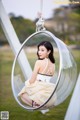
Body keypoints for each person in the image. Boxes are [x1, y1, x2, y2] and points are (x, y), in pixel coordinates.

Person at [18, 41, 56, 108]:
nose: (39, 52)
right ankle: (38, 104)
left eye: (42, 50)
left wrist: (29, 83)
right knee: (27, 91)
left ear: (49, 51)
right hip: (51, 96)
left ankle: (37, 105)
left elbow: (32, 80)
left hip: (41, 92)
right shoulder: (53, 64)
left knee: (22, 94)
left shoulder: (39, 62)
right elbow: (50, 76)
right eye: (39, 50)